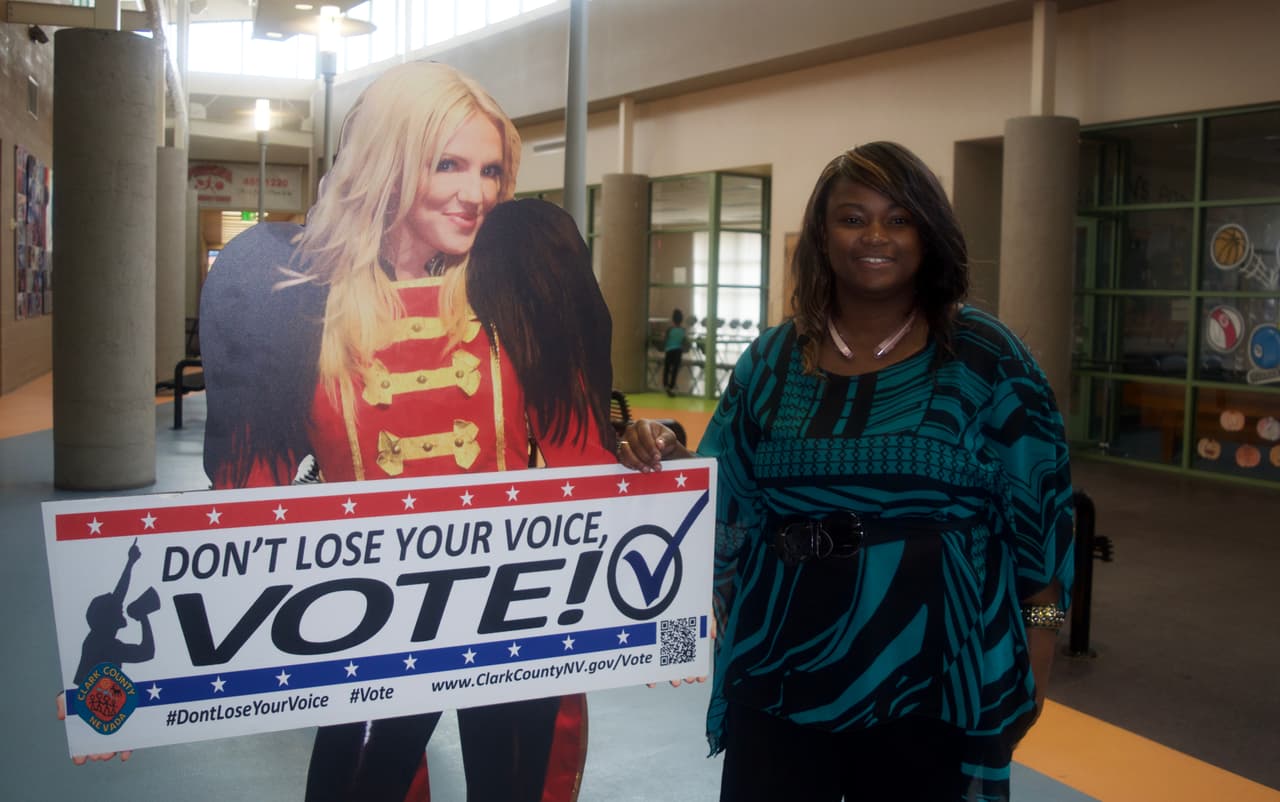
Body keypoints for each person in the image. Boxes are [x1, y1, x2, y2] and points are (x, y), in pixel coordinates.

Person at [200, 62, 615, 802]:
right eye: (448, 164)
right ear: (388, 162)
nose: (477, 192)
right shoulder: (293, 298)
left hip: (514, 604)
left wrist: (655, 603)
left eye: (491, 170)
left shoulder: (524, 285)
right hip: (366, 617)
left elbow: (579, 457)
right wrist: (128, 693)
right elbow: (246, 513)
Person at [618, 141, 1074, 801]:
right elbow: (720, 497)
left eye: (899, 218)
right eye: (852, 218)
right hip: (776, 674)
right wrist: (657, 447)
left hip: (933, 686)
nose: (876, 236)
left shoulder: (986, 361)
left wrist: (1038, 658)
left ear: (929, 234)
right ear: (822, 238)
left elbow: (1044, 539)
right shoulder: (772, 363)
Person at [662, 308, 687, 396]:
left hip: (669, 351)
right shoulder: (683, 330)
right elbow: (684, 341)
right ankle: (672, 386)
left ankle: (665, 384)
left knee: (667, 368)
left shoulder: (669, 329)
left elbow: (665, 339)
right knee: (675, 370)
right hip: (678, 351)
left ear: (673, 319)